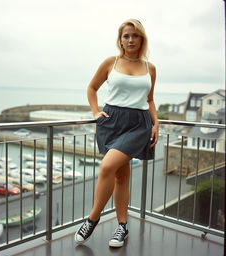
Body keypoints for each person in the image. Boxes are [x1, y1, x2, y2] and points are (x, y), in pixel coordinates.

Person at [75, 18, 159, 248]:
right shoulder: (110, 63)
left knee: (106, 167)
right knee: (121, 177)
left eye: (135, 35)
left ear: (141, 39)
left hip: (138, 124)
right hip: (112, 121)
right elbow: (92, 88)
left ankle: (92, 218)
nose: (130, 40)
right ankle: (122, 226)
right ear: (120, 40)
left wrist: (156, 123)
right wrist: (95, 111)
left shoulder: (149, 68)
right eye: (126, 36)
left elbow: (149, 100)